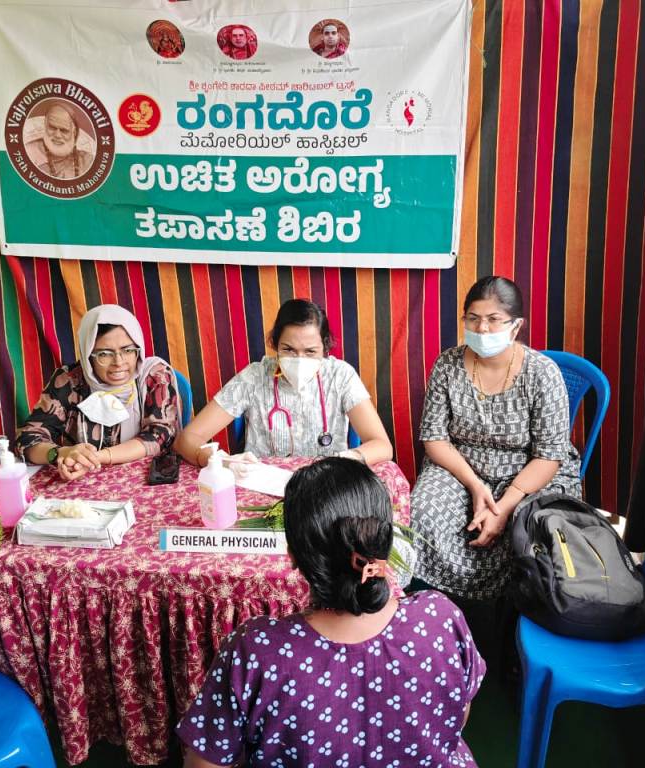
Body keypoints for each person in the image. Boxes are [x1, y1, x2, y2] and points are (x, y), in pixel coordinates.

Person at [176, 458, 485, 767]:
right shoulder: (439, 617)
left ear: (293, 554)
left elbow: (204, 764)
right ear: (383, 542)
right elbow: (459, 715)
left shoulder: (256, 650)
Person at [410, 277, 581, 657]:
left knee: (526, 528)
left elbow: (550, 454)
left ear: (516, 326)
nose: (482, 329)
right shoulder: (448, 364)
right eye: (473, 319)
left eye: (493, 319)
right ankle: (435, 625)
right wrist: (475, 486)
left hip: (529, 471)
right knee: (422, 512)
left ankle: (507, 636)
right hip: (461, 466)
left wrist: (503, 507)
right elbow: (434, 438)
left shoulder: (542, 373)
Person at [174, 299, 392, 467]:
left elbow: (382, 445)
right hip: (263, 488)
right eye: (288, 350)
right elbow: (187, 439)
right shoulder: (254, 377)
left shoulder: (340, 376)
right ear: (275, 344)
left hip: (326, 486)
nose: (299, 359)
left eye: (310, 351)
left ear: (325, 348)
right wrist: (218, 461)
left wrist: (349, 458)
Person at [16, 304, 179, 480]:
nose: (119, 362)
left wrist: (93, 459)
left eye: (128, 350)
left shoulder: (154, 375)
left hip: (143, 479)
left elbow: (160, 435)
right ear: (88, 355)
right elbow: (27, 438)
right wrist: (61, 453)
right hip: (82, 481)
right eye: (104, 354)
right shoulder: (69, 380)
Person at [24, 103, 94, 180]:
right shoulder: (29, 151)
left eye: (64, 130)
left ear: (74, 132)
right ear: (45, 126)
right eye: (52, 128)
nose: (57, 135)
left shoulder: (87, 160)